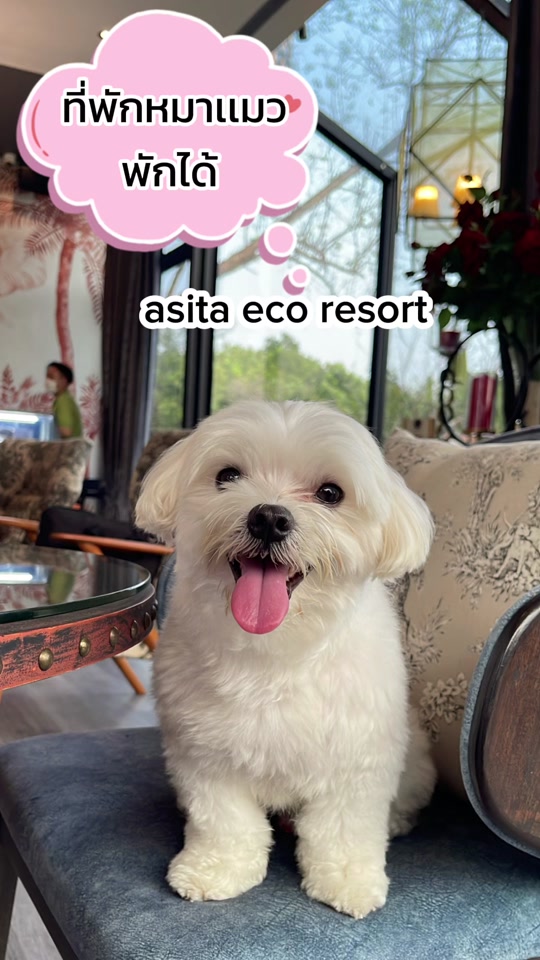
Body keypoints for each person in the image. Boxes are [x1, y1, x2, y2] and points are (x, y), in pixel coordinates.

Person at [45, 362, 83, 439]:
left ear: (64, 380)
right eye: (47, 377)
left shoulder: (63, 402)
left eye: (51, 377)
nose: (48, 381)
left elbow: (66, 431)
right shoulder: (63, 399)